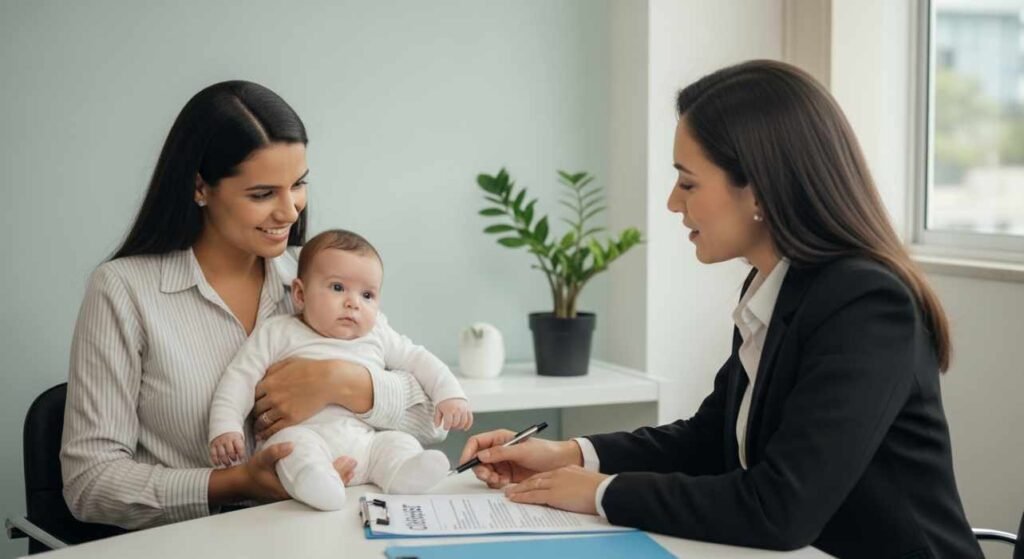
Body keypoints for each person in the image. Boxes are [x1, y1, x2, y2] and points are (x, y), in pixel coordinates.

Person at [460, 60, 983, 558]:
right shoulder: (776, 286)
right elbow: (711, 438)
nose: (671, 202)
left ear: (759, 187)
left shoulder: (867, 303)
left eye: (688, 182)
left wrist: (599, 492)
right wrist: (569, 455)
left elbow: (781, 509)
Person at [61, 81, 445, 530]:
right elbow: (90, 484)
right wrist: (236, 482)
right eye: (262, 194)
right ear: (200, 187)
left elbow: (434, 419)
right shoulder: (124, 290)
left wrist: (341, 381)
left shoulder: (320, 276)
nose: (290, 212)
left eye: (298, 184)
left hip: (327, 535)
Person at [208, 229, 472, 510]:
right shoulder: (278, 331)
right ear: (299, 293)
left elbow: (419, 359)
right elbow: (240, 378)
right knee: (290, 447)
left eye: (367, 295)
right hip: (305, 436)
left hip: (365, 445)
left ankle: (404, 472)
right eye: (337, 288)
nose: (353, 303)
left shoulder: (377, 332)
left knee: (396, 442)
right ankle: (316, 481)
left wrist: (450, 394)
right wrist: (225, 426)